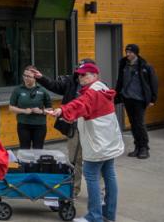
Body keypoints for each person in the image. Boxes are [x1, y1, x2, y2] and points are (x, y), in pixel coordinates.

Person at [46, 62, 124, 222]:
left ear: (95, 75)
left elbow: (80, 104)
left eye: (85, 74)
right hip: (109, 142)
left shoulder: (92, 92)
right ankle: (108, 215)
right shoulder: (101, 88)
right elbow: (82, 105)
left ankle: (94, 216)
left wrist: (62, 110)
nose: (80, 77)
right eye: (79, 75)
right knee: (109, 174)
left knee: (91, 175)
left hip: (97, 144)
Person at [31, 60, 92, 196]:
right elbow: (55, 85)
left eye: (83, 73)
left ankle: (100, 193)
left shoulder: (98, 88)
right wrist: (41, 77)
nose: (79, 75)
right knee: (74, 160)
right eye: (78, 71)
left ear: (92, 74)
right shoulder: (72, 81)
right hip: (74, 128)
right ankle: (74, 189)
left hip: (91, 130)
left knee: (94, 161)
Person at [115, 44, 158, 159]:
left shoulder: (145, 66)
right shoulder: (124, 64)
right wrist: (117, 94)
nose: (127, 54)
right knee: (133, 124)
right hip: (127, 98)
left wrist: (153, 99)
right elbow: (120, 80)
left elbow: (153, 83)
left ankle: (144, 148)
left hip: (140, 99)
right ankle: (137, 147)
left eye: (130, 52)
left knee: (139, 123)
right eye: (126, 52)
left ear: (136, 53)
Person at [9, 67, 52, 149]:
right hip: (23, 125)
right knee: (24, 150)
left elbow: (50, 110)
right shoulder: (17, 90)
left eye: (29, 76)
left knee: (38, 150)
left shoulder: (43, 91)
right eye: (24, 75)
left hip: (39, 126)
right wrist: (24, 111)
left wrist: (41, 111)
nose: (25, 78)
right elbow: (11, 108)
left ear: (35, 78)